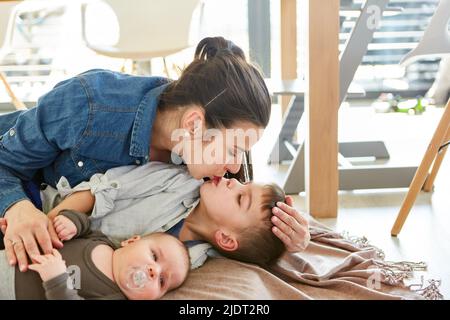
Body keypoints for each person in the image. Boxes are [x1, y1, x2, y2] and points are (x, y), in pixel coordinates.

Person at [0, 36, 308, 273]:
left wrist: (289, 241)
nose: (235, 168)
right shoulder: (88, 105)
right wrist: (17, 208)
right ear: (193, 124)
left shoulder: (204, 162)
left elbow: (243, 223)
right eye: (233, 149)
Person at [11, 161, 295, 268]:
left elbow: (257, 252)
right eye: (244, 184)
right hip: (44, 205)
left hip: (66, 257)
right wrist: (44, 229)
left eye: (240, 197)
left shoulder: (195, 259)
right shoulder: (179, 181)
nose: (234, 181)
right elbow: (99, 190)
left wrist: (292, 245)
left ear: (226, 240)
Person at [0, 210, 190, 300]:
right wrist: (72, 223)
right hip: (12, 255)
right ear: (131, 241)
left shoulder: (114, 297)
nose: (154, 271)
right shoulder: (101, 241)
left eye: (162, 281)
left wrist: (57, 280)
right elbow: (85, 224)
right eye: (155, 256)